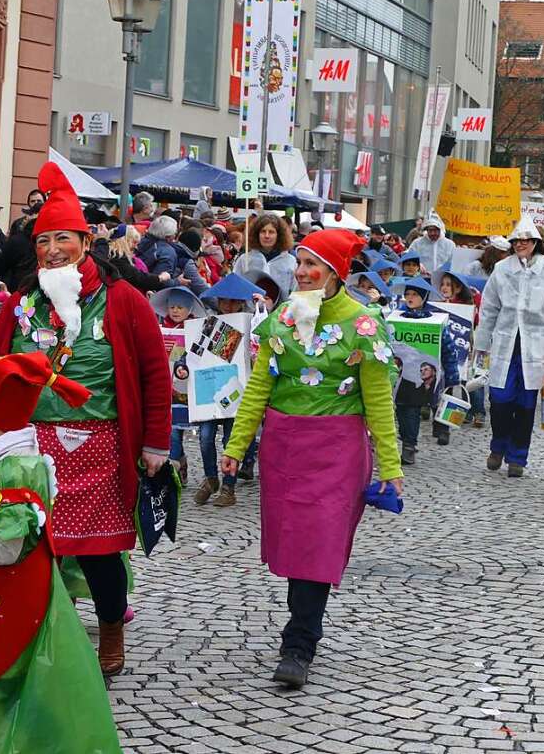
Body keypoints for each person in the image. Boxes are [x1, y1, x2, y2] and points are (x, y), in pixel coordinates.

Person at [0, 161, 171, 677]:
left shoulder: (124, 300)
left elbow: (155, 378)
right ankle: (41, 633)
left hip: (101, 445)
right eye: (45, 240)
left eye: (64, 239)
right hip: (28, 448)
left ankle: (111, 630)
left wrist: (155, 442)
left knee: (99, 553)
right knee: (30, 549)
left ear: (85, 242)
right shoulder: (22, 303)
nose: (53, 249)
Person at [221, 229, 402, 688]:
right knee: (294, 544)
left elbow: (378, 399)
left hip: (337, 449)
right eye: (299, 264)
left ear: (336, 273)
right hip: (284, 447)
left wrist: (391, 465)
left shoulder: (363, 323)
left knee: (317, 543)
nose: (301, 272)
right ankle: (302, 625)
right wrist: (236, 446)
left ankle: (299, 643)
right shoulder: (282, 316)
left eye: (311, 265)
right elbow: (259, 385)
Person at [0, 352, 122, 754]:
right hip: (19, 594)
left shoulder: (12, 469)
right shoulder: (19, 455)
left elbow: (4, 548)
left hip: (3, 601)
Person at [475, 215, 544, 478]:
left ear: (535, 242)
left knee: (526, 404)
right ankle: (498, 446)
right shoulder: (502, 269)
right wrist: (482, 342)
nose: (521, 244)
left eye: (526, 240)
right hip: (506, 343)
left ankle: (518, 455)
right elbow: (490, 307)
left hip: (535, 346)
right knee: (500, 399)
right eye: (517, 240)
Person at [195, 273, 265, 506]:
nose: (229, 305)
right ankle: (211, 478)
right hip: (209, 391)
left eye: (234, 301)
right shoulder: (207, 325)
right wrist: (186, 366)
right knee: (205, 438)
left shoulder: (250, 325)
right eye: (225, 300)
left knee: (230, 440)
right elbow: (195, 356)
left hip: (236, 392)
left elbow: (257, 354)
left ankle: (229, 487)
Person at [391, 277, 461, 463]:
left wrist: (453, 376)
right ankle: (408, 442)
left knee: (427, 405)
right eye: (407, 294)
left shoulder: (435, 321)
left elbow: (447, 350)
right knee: (404, 409)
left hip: (430, 374)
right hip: (405, 374)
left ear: (423, 297)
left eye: (414, 294)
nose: (410, 297)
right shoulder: (397, 317)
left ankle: (432, 433)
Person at [151, 286, 206, 484]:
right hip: (166, 388)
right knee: (171, 431)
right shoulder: (159, 327)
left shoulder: (195, 329)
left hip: (187, 391)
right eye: (172, 306)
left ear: (189, 309)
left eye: (180, 307)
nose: (175, 311)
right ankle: (176, 463)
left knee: (182, 428)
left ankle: (178, 462)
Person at [233, 213, 297, 295]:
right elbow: (236, 286)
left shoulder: (290, 261)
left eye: (271, 232)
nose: (266, 236)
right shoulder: (244, 259)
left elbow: (295, 290)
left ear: (279, 235)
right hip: (250, 307)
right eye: (263, 231)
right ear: (256, 234)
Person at [409, 211, 455, 276]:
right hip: (422, 279)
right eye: (430, 230)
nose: (432, 233)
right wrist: (417, 264)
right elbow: (408, 257)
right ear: (426, 230)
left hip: (442, 280)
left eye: (435, 230)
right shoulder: (417, 243)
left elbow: (453, 263)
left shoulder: (450, 244)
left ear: (440, 229)